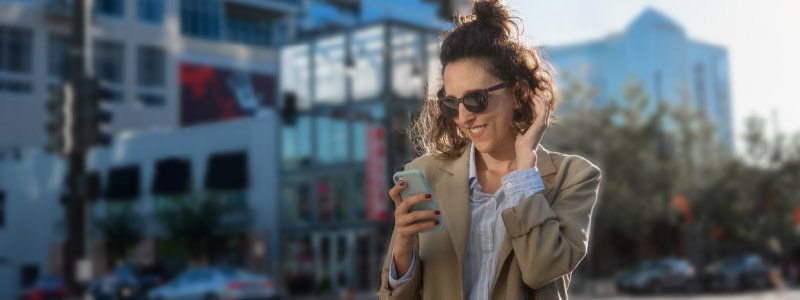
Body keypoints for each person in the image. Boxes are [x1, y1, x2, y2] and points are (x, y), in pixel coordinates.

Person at [378, 1, 602, 299]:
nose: (464, 116)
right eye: (452, 104)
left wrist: (525, 172)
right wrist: (403, 247)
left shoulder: (573, 177)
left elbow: (540, 269)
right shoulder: (424, 174)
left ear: (520, 92)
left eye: (475, 100)